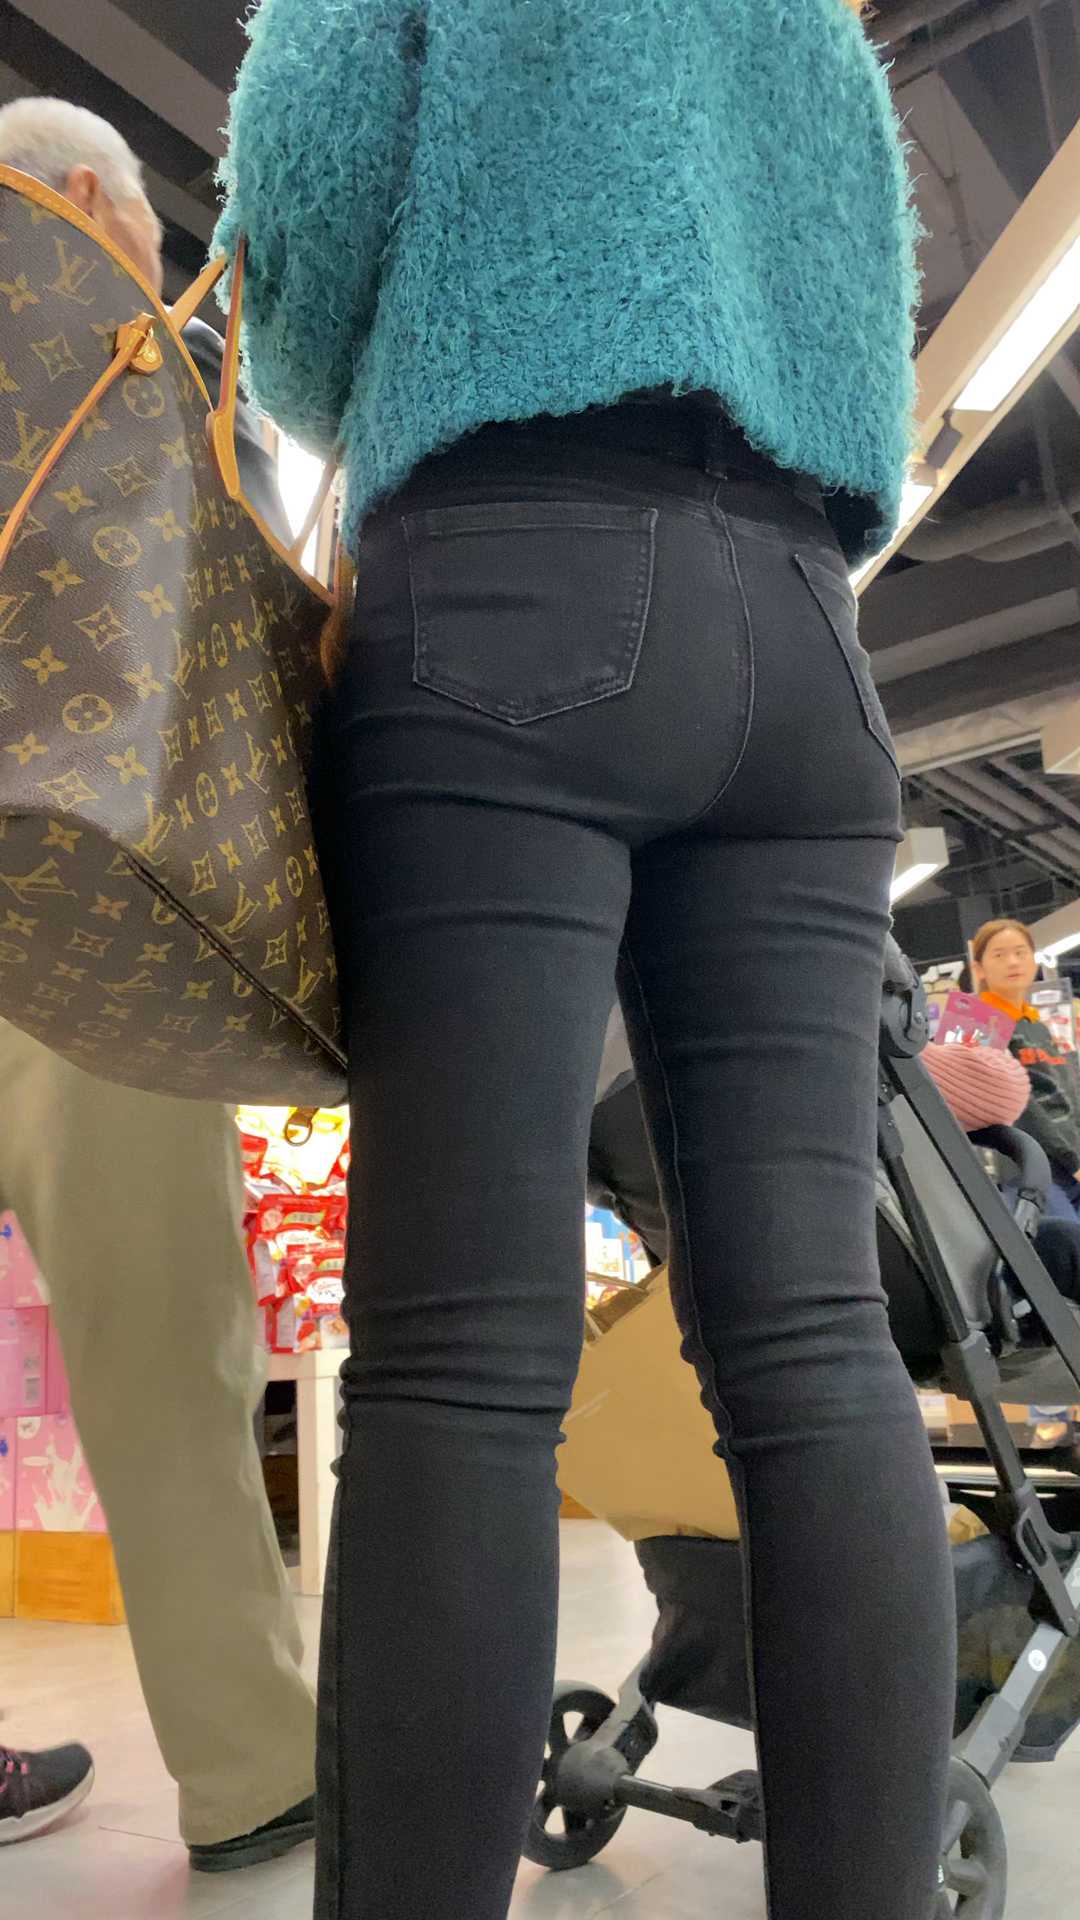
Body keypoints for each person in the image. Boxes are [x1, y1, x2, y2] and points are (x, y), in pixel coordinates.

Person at [217, 4, 955, 1917]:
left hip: (508, 576)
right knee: (815, 1346)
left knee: (464, 1360)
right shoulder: (816, 28)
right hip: (808, 641)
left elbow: (299, 239)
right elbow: (861, 341)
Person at [0, 99, 316, 1870]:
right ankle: (254, 1768)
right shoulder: (140, 364)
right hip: (79, 907)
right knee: (157, 1356)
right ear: (92, 206)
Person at [972, 918, 1080, 1223]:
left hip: (1068, 1166)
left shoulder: (1037, 1026)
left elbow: (1068, 1092)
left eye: (1021, 952)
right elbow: (1018, 1105)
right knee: (1061, 1240)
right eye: (999, 954)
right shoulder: (978, 1023)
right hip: (1028, 1168)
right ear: (979, 968)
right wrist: (1072, 1159)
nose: (1013, 962)